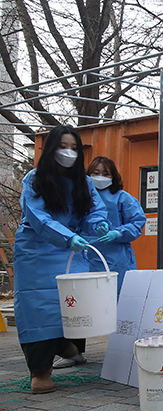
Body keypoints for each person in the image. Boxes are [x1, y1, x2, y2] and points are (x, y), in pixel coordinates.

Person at [13, 125, 110, 393]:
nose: (68, 153)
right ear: (50, 149)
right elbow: (37, 217)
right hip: (37, 249)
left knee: (69, 305)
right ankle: (40, 370)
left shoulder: (84, 181)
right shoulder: (35, 179)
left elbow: (93, 210)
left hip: (71, 249)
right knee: (38, 309)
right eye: (62, 146)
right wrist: (66, 236)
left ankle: (63, 345)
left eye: (74, 148)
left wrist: (98, 224)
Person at [84, 156, 146, 296]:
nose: (100, 177)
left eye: (105, 174)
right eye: (95, 173)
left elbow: (137, 222)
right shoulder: (81, 198)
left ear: (113, 176)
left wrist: (118, 233)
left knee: (118, 299)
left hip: (117, 258)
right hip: (86, 254)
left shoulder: (123, 198)